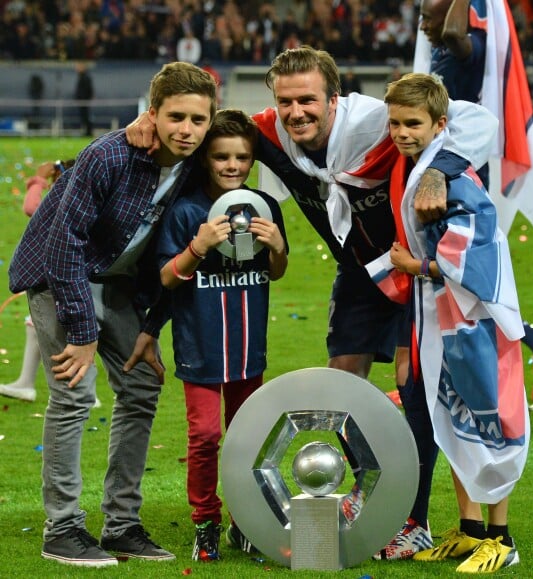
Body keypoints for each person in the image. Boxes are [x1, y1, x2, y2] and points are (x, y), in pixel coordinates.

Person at [125, 44, 497, 554]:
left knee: (416, 390)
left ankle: (414, 519)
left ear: (335, 98)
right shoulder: (269, 132)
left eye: (308, 100)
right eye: (285, 102)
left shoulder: (372, 121)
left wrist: (437, 170)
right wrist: (138, 126)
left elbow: (479, 120)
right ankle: (367, 497)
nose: (296, 111)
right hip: (357, 271)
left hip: (409, 264)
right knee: (340, 387)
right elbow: (209, 134)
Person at [8, 61, 217, 568]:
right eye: (176, 118)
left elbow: (173, 254)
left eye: (198, 120)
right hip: (60, 275)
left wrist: (149, 328)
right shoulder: (109, 154)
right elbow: (63, 244)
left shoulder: (196, 163)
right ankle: (62, 529)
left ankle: (122, 525)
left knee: (142, 386)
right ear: (153, 114)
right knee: (73, 393)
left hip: (120, 283)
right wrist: (81, 332)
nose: (186, 130)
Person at [386, 71, 528, 573]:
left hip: (473, 321)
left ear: (440, 124)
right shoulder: (420, 165)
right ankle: (469, 530)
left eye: (413, 123)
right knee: (451, 418)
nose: (401, 132)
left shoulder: (453, 177)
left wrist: (417, 267)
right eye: (395, 122)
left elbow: (479, 248)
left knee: (487, 418)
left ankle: (502, 538)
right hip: (437, 319)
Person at [417, 0, 533, 404]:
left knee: (459, 275)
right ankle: (427, 372)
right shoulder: (437, 51)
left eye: (426, 14)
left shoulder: (473, 47)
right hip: (441, 170)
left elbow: (453, 31)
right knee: (450, 278)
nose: (421, 23)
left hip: (459, 173)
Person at [157, 108, 288, 562]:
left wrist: (276, 248)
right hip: (201, 347)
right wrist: (199, 246)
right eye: (221, 157)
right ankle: (205, 521)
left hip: (249, 349)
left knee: (248, 438)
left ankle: (245, 522)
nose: (232, 166)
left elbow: (277, 271)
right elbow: (168, 278)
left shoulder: (263, 206)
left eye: (242, 157)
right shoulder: (186, 210)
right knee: (207, 437)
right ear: (204, 159)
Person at [0, 160, 102, 408]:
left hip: (69, 278)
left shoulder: (73, 201)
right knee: (36, 325)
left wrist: (38, 180)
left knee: (77, 333)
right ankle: (26, 383)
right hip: (68, 278)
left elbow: (31, 207)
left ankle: (85, 391)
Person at [74, 63, 94, 137]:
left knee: (86, 116)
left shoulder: (85, 77)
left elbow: (88, 90)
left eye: (79, 67)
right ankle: (87, 131)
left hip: (84, 101)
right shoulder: (82, 77)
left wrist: (84, 98)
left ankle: (89, 131)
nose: (77, 69)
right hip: (82, 100)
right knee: (84, 117)